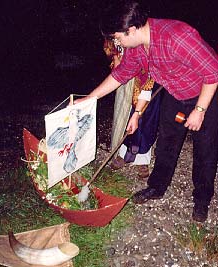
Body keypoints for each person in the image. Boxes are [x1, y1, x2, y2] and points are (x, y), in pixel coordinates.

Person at [76, 0, 218, 222]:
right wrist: (89, 99)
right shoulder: (137, 47)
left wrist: (199, 110)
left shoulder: (178, 37)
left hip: (205, 94)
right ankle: (157, 187)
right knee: (166, 143)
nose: (116, 42)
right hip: (175, 93)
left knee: (205, 149)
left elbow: (213, 72)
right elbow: (121, 74)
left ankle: (201, 200)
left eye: (117, 37)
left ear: (130, 29)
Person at [103, 38, 162, 178]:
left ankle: (142, 158)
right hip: (126, 80)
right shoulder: (112, 34)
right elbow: (110, 49)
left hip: (148, 79)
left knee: (146, 120)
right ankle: (123, 153)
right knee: (125, 117)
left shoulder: (139, 36)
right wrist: (116, 58)